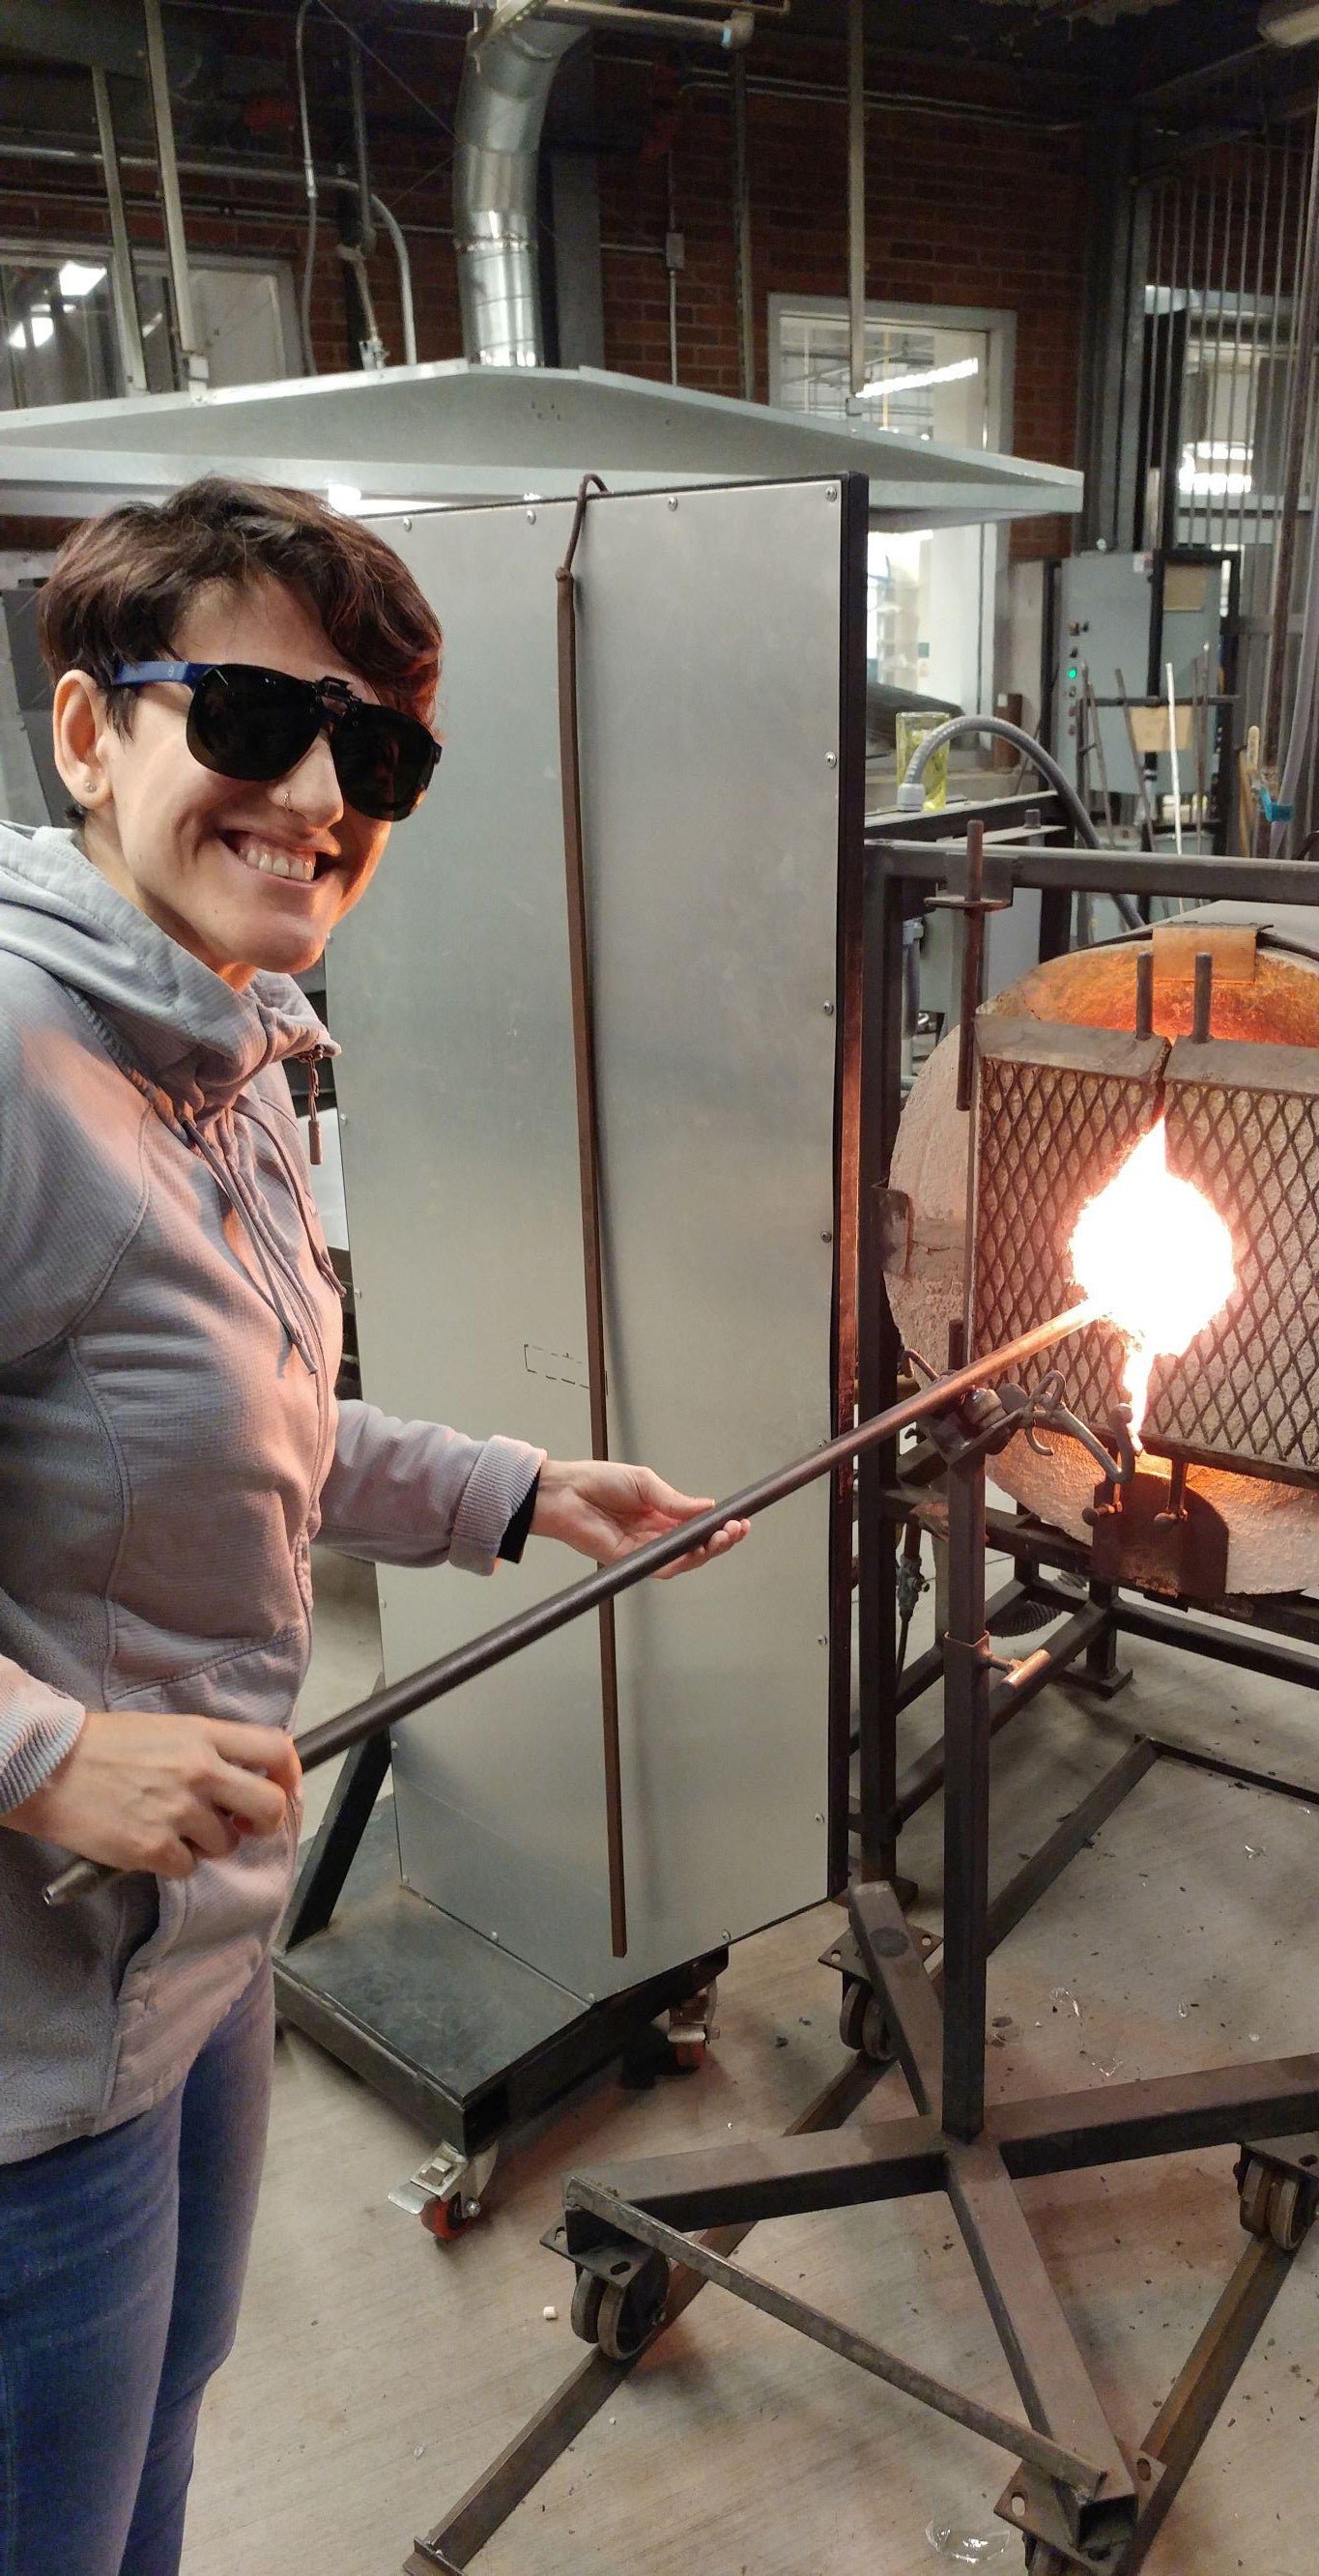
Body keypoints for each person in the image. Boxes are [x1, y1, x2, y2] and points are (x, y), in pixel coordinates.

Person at [0, 474, 748, 2576]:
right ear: (90, 734)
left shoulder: (226, 1057)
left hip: (198, 1952)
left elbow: (250, 1433)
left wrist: (517, 1490)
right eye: (248, 714)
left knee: (154, 2457)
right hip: (28, 2047)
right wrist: (49, 1759)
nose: (320, 789)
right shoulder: (14, 1061)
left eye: (379, 752)